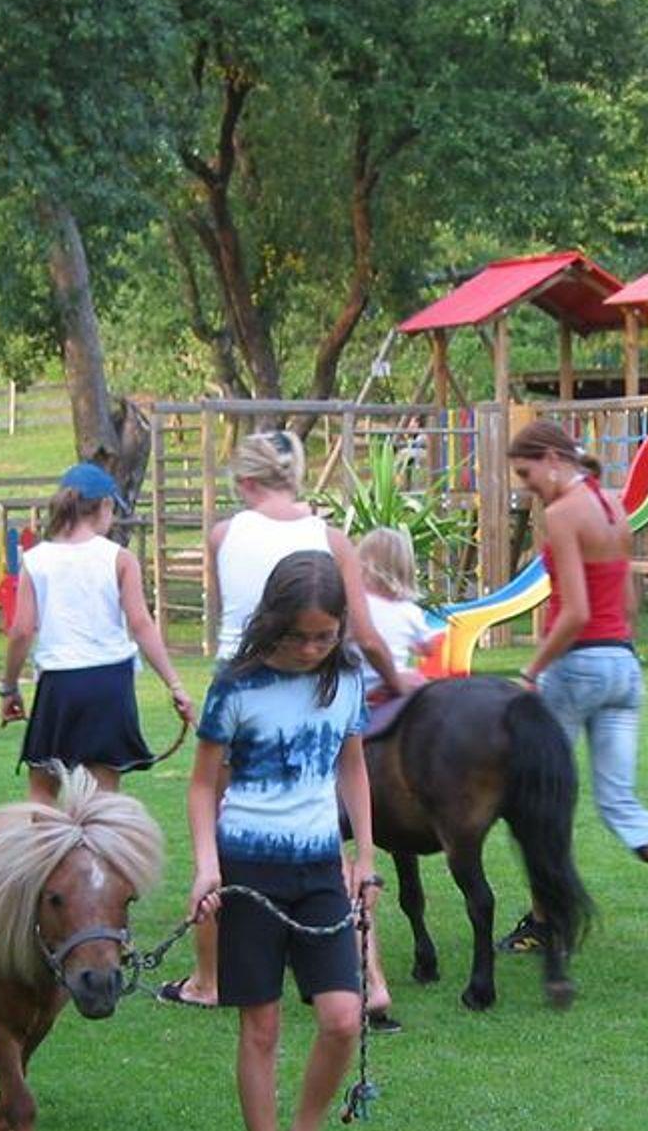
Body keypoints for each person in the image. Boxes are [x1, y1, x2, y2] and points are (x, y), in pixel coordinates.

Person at [155, 428, 419, 1010]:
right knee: (319, 831)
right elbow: (362, 631)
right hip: (314, 688)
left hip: (240, 696)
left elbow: (233, 621)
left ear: (245, 480)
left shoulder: (224, 534)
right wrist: (400, 684)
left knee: (222, 840)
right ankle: (369, 977)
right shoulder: (331, 538)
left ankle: (209, 979)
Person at [497, 419, 648, 971]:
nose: (527, 488)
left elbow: (575, 612)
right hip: (623, 667)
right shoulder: (612, 505)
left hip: (576, 667)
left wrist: (531, 671)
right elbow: (627, 599)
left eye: (527, 474)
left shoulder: (563, 515)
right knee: (620, 804)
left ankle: (545, 922)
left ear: (552, 458)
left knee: (538, 800)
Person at [187, 551, 375, 1131]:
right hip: (250, 870)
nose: (311, 649)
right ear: (273, 621)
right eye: (299, 636)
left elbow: (352, 766)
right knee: (261, 1026)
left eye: (324, 636)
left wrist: (364, 856)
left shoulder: (345, 678)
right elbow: (202, 784)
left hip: (320, 868)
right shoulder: (235, 687)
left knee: (343, 1018)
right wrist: (206, 866)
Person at [0, 462, 193, 803]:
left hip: (59, 683)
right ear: (104, 505)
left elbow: (22, 631)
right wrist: (175, 685)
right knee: (104, 798)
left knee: (42, 791)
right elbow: (141, 624)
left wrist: (9, 687)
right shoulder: (119, 558)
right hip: (110, 682)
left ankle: (41, 841)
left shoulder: (36, 560)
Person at [351, 526, 446, 1029]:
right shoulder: (409, 611)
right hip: (406, 700)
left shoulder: (357, 609)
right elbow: (432, 647)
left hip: (366, 705)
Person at [355, 526, 443, 704]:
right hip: (396, 686)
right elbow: (429, 649)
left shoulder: (354, 605)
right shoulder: (410, 611)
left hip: (358, 689)